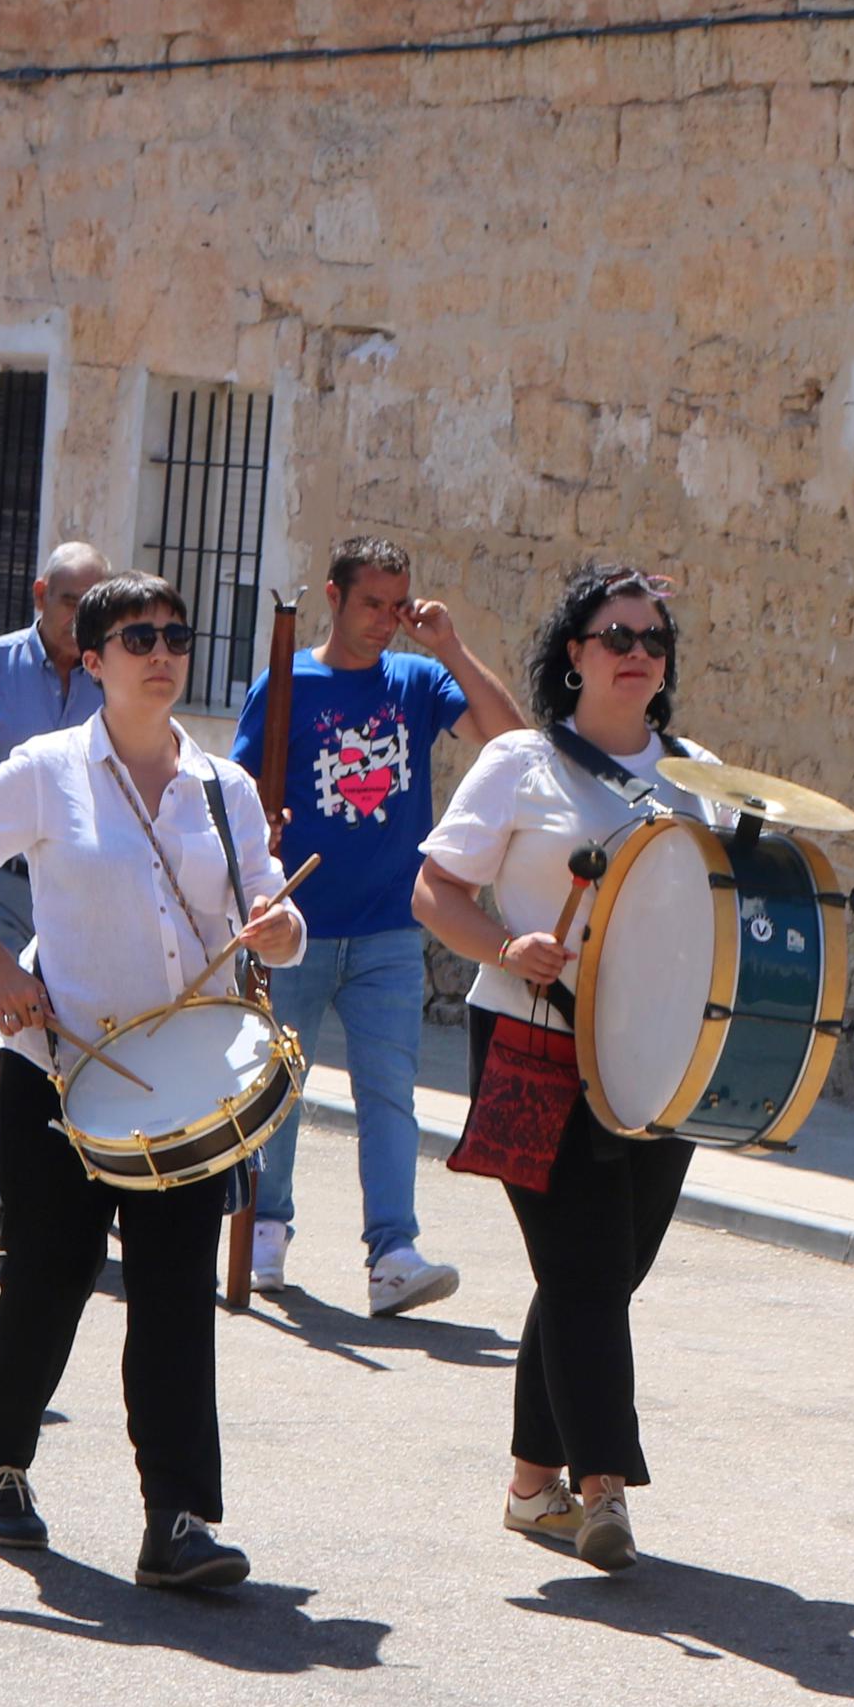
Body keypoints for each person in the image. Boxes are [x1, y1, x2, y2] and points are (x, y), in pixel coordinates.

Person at [0, 570, 301, 1590]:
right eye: (136, 637)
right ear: (92, 659)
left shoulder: (222, 788)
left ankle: (177, 1519)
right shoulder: (44, 771)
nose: (161, 651)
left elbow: (272, 912)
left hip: (183, 1085)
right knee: (47, 1280)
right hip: (62, 1071)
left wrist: (280, 926)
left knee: (173, 1299)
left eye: (174, 633)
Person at [414, 564, 722, 1576]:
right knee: (586, 1267)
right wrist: (506, 948)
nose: (637, 652)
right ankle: (602, 1491)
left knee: (597, 1271)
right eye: (615, 635)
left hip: (657, 1058)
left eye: (653, 639)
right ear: (573, 653)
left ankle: (526, 1484)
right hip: (529, 1041)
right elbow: (436, 891)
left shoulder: (699, 775)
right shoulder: (519, 761)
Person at [232, 536, 522, 1312]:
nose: (386, 620)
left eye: (397, 604)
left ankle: (392, 1250)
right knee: (277, 1085)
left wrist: (451, 645)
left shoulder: (418, 680)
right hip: (298, 923)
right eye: (371, 603)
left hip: (391, 925)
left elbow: (509, 741)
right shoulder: (286, 683)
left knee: (390, 1092)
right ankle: (265, 1232)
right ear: (332, 596)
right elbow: (235, 793)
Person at [0, 538, 106, 1241]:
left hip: (83, 888)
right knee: (7, 1033)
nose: (83, 616)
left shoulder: (118, 672)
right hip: (5, 889)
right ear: (41, 593)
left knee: (79, 1040)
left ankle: (78, 1188)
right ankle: (5, 1196)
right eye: (72, 600)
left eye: (95, 602)